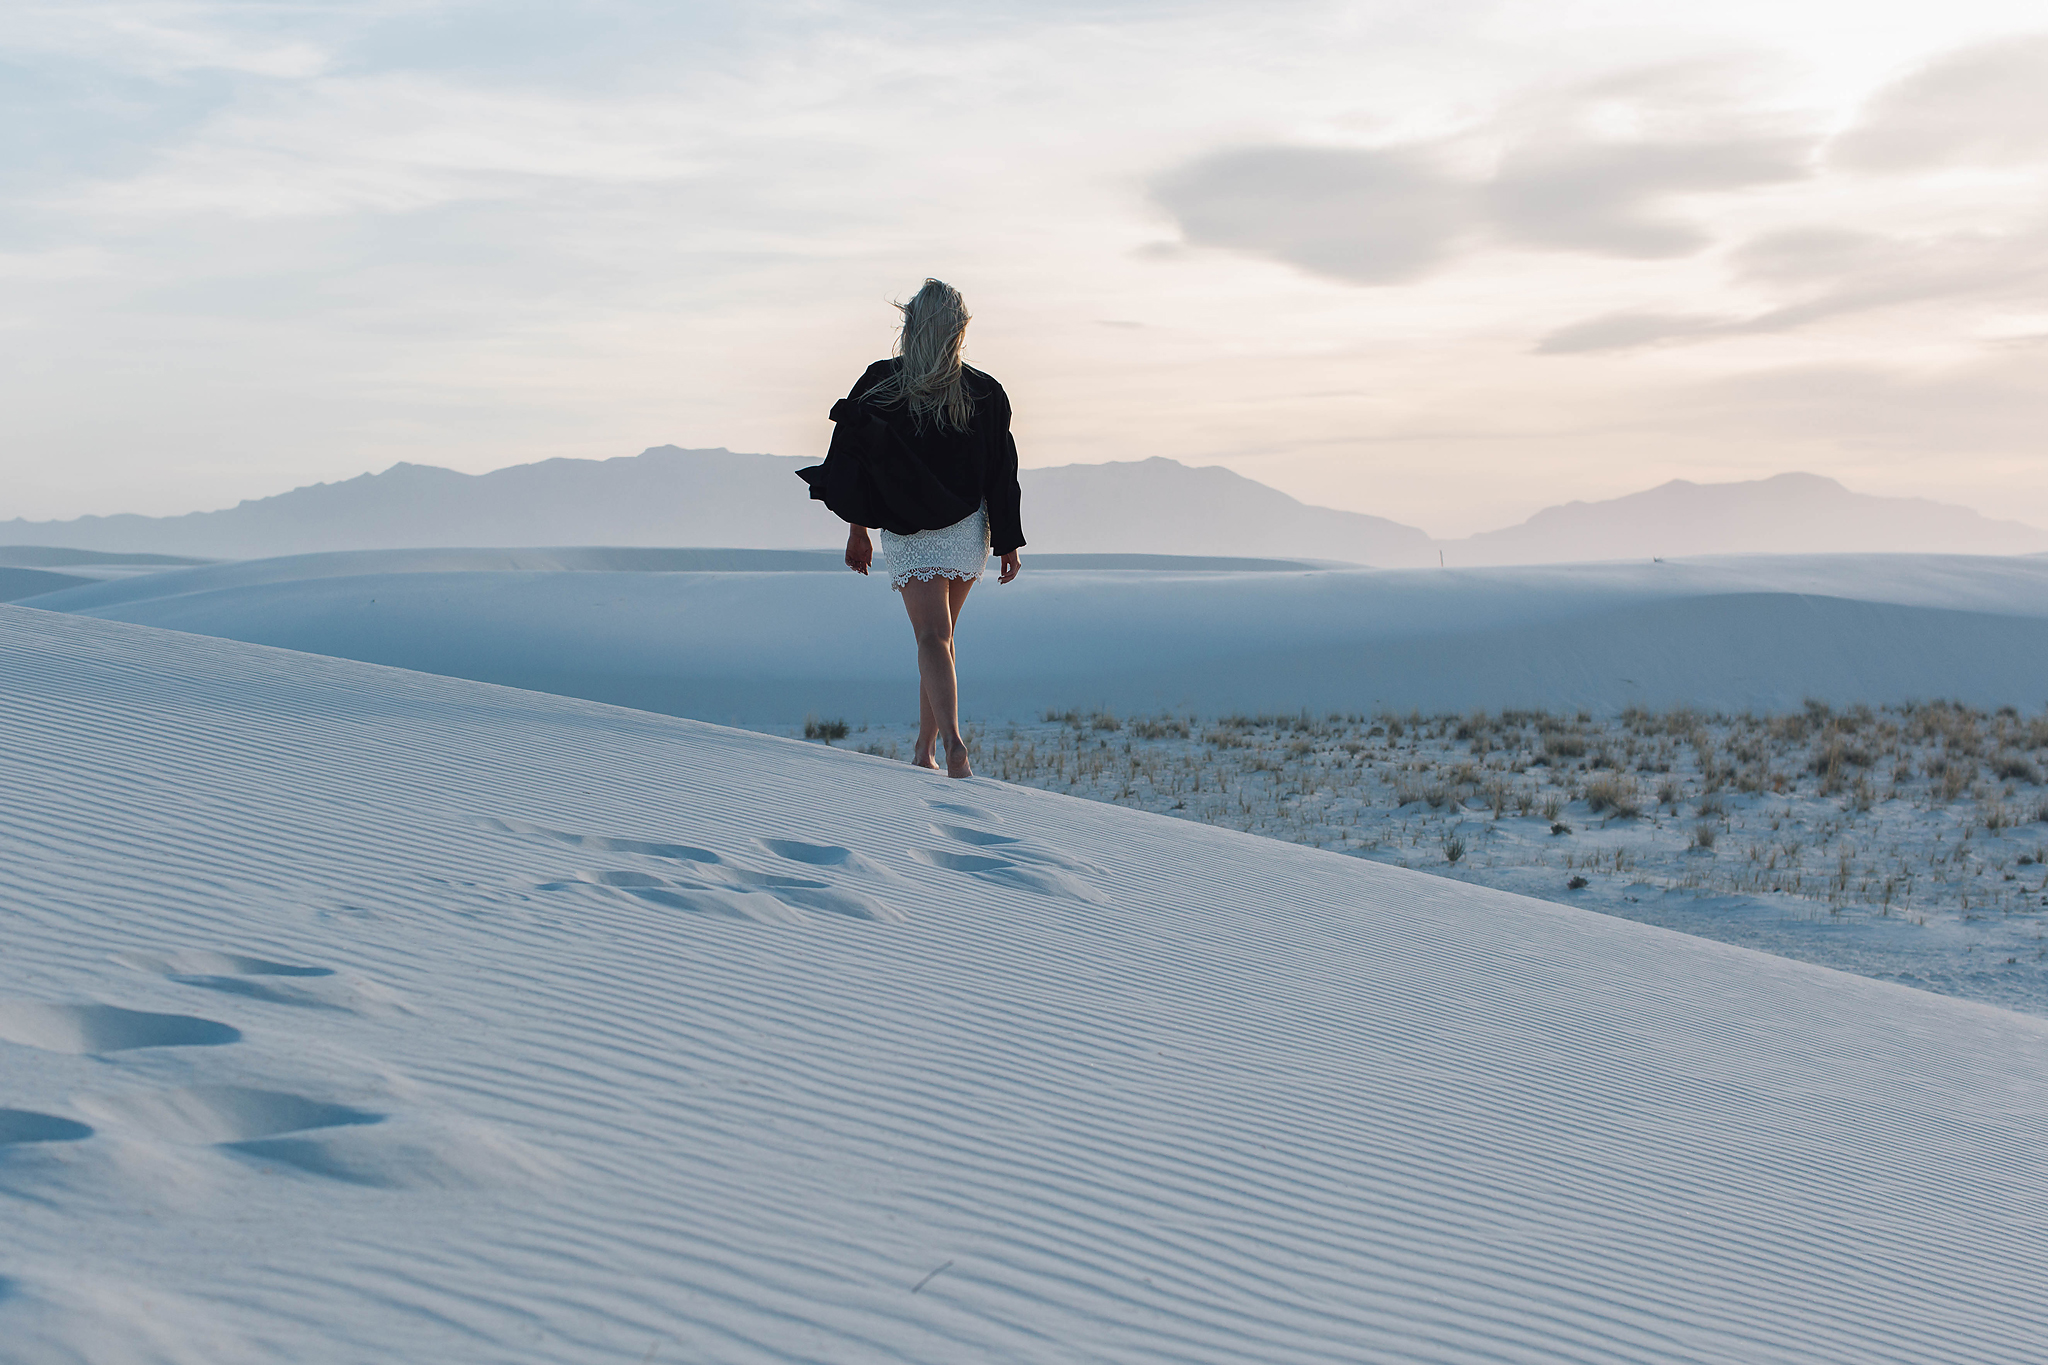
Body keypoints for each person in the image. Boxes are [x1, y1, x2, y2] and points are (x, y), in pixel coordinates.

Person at [798, 279, 1024, 778]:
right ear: (956, 331)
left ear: (911, 324)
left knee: (931, 638)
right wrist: (1006, 541)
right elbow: (1001, 474)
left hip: (909, 530)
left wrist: (858, 532)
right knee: (940, 640)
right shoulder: (983, 390)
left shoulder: (883, 382)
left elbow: (855, 464)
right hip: (968, 531)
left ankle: (955, 747)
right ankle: (926, 748)